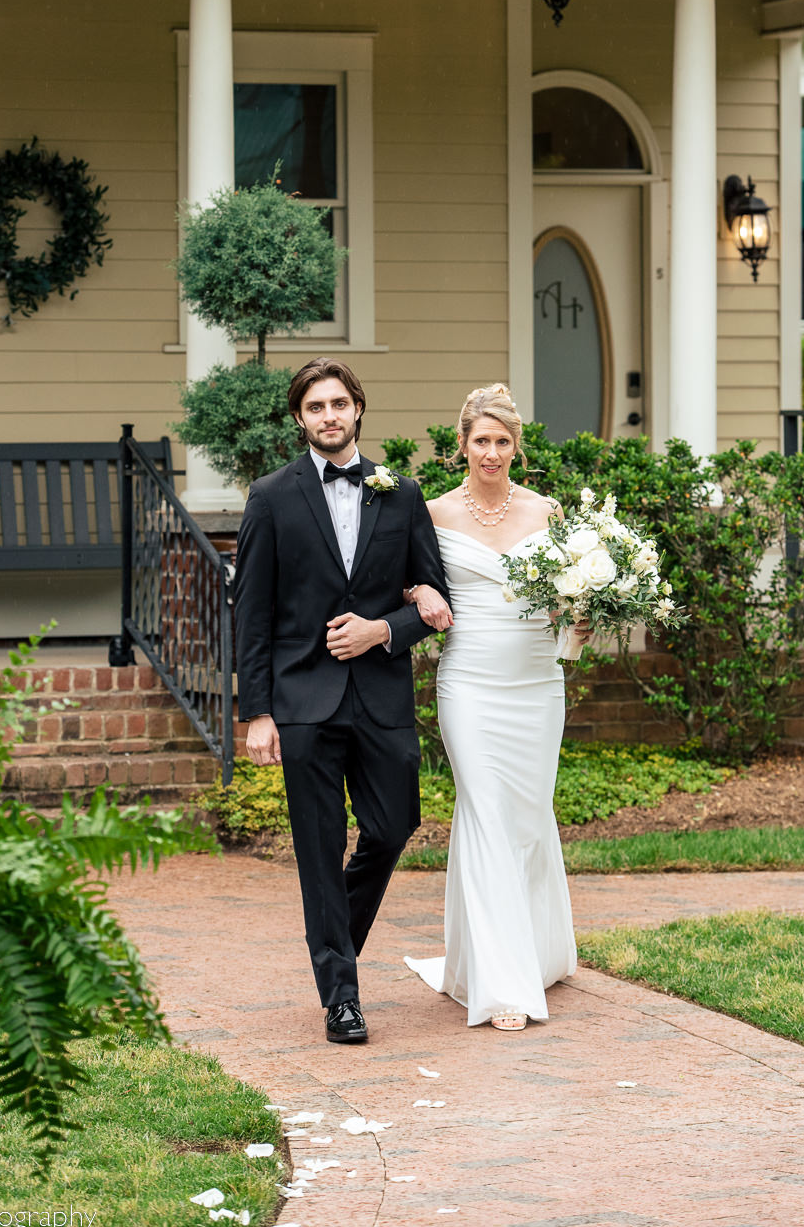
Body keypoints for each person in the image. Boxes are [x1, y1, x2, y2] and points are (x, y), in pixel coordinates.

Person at [233, 356, 452, 1045]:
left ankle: (332, 944)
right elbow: (253, 614)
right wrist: (257, 712)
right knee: (319, 849)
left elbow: (437, 600)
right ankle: (343, 998)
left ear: (358, 408)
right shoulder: (271, 497)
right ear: (300, 419)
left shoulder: (403, 493)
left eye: (338, 404)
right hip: (303, 702)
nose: (328, 416)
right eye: (314, 407)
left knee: (393, 826)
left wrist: (383, 629)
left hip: (381, 695)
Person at [404, 383, 578, 1031]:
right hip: (470, 683)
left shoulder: (548, 513)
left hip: (537, 681)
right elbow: (407, 576)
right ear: (462, 445)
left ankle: (534, 952)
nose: (492, 452)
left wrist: (580, 620)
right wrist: (422, 588)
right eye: (482, 440)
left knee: (529, 818)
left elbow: (568, 604)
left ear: (516, 448)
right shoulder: (434, 513)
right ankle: (503, 987)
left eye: (503, 442)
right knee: (485, 814)